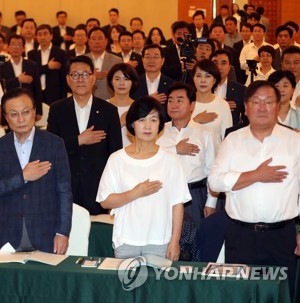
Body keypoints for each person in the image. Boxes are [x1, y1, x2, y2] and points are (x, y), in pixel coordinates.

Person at [208, 80, 300, 300]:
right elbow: (214, 183)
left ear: (278, 106)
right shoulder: (233, 140)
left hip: (282, 237)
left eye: (268, 102)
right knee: (239, 295)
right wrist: (255, 176)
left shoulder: (295, 141)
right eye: (256, 102)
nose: (262, 107)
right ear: (246, 107)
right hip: (241, 236)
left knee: (280, 295)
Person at [97, 96, 191, 260]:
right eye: (142, 120)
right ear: (132, 124)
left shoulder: (170, 160)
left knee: (157, 286)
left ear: (160, 125)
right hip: (126, 241)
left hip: (160, 241)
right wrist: (136, 192)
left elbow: (177, 204)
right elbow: (105, 201)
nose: (148, 126)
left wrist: (175, 241)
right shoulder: (117, 159)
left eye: (153, 120)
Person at [0, 88, 73, 254]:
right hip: (6, 234)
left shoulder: (54, 144)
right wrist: (22, 176)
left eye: (26, 112)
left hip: (46, 232)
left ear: (35, 112)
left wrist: (63, 232)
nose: (21, 119)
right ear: (6, 117)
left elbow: (64, 191)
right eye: (14, 114)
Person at [47, 55, 122, 215]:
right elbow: (50, 150)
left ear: (93, 78)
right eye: (75, 75)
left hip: (98, 186)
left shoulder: (109, 110)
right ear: (68, 79)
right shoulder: (57, 109)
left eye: (85, 74)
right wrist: (78, 141)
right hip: (65, 185)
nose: (80, 79)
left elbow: (115, 153)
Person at [157, 82, 217, 223]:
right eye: (170, 101)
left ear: (192, 105)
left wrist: (211, 202)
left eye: (179, 100)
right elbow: (148, 158)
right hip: (163, 195)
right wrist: (175, 150)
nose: (174, 105)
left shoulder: (206, 133)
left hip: (195, 196)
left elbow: (213, 170)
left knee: (196, 242)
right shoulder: (158, 131)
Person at [0, 35, 43, 115]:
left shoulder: (32, 65)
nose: (15, 48)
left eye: (19, 45)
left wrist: (38, 111)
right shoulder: (1, 67)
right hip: (9, 106)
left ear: (23, 48)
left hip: (28, 105)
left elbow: (37, 89)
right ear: (8, 47)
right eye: (13, 45)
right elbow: (0, 86)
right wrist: (17, 80)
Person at [191, 59, 233, 141]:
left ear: (214, 80)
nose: (203, 80)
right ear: (193, 79)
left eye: (208, 76)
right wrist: (195, 120)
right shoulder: (185, 103)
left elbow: (227, 138)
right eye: (198, 76)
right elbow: (177, 132)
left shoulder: (223, 105)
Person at [132, 44, 175, 121]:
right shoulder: (134, 83)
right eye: (148, 57)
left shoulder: (172, 85)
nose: (151, 61)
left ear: (162, 60)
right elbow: (131, 108)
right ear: (142, 60)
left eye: (155, 57)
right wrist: (148, 100)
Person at [28, 24, 67, 106]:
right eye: (39, 34)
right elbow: (32, 74)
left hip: (55, 95)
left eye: (45, 34)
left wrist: (63, 98)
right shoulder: (32, 54)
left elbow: (64, 77)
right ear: (36, 37)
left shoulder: (60, 53)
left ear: (51, 36)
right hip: (36, 94)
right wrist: (48, 67)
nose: (42, 37)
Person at [210, 50, 246, 125]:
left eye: (223, 63)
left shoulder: (240, 90)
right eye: (215, 63)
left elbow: (246, 118)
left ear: (229, 67)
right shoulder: (201, 88)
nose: (219, 67)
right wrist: (221, 106)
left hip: (231, 134)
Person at [86, 27, 122, 100]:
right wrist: (93, 77)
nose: (97, 42)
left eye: (100, 38)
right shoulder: (82, 60)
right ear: (89, 42)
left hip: (110, 101)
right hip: (86, 100)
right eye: (93, 39)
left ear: (106, 41)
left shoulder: (117, 60)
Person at [107, 63, 138, 147]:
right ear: (111, 81)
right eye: (117, 79)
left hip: (135, 154)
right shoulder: (103, 107)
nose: (121, 83)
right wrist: (120, 123)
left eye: (126, 79)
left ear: (132, 82)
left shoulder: (138, 107)